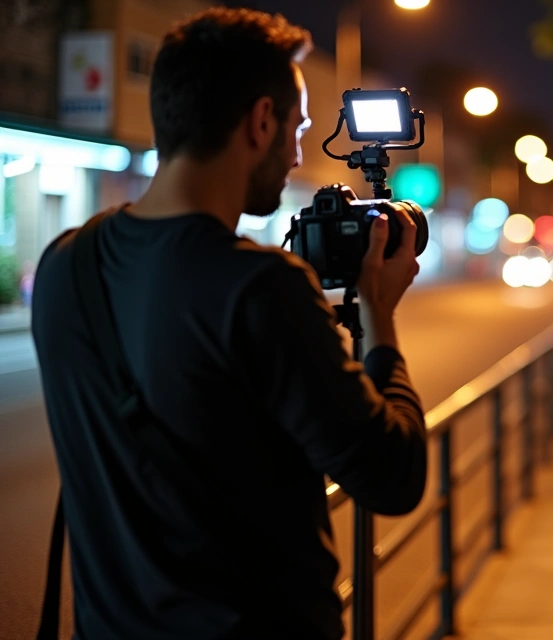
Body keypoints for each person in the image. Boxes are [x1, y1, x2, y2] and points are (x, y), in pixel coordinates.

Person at [30, 9, 428, 639]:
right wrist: (377, 312)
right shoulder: (260, 286)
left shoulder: (64, 267)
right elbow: (394, 476)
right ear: (261, 121)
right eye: (298, 129)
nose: (298, 153)